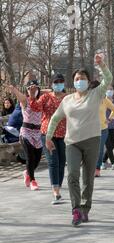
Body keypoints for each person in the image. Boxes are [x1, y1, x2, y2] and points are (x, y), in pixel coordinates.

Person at [46, 53, 113, 227]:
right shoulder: (67, 100)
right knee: (73, 175)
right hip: (72, 143)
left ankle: (85, 208)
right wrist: (48, 137)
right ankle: (76, 209)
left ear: (89, 81)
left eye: (83, 78)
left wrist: (101, 64)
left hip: (92, 140)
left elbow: (108, 78)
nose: (79, 81)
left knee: (88, 178)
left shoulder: (96, 94)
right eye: (77, 78)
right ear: (73, 81)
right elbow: (54, 118)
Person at [7, 80, 43, 191]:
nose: (32, 89)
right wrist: (14, 89)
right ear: (27, 90)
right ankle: (33, 180)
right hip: (26, 131)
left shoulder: (41, 101)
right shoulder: (25, 101)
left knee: (37, 159)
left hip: (37, 132)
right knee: (30, 156)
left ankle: (27, 172)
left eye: (35, 87)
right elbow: (20, 96)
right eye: (29, 88)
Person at [39, 73, 67, 204]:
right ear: (52, 84)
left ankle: (59, 187)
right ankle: (55, 191)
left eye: (61, 82)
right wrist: (33, 96)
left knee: (61, 162)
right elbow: (35, 107)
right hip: (47, 134)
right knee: (53, 162)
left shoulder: (68, 98)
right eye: (56, 82)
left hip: (63, 134)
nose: (58, 84)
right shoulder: (46, 97)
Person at [93, 84, 114, 177]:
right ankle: (90, 166)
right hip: (91, 129)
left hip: (103, 129)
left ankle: (97, 168)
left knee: (99, 150)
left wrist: (110, 119)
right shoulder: (89, 100)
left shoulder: (104, 100)